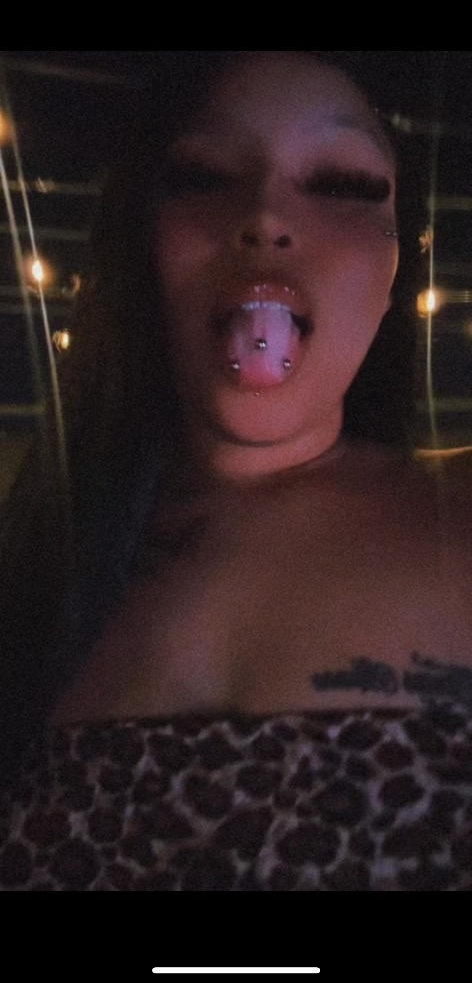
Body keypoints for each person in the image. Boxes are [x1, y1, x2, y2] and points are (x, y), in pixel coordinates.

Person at [0, 50, 471, 892]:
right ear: (144, 244)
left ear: (396, 267)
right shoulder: (36, 569)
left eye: (342, 183)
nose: (264, 217)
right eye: (204, 177)